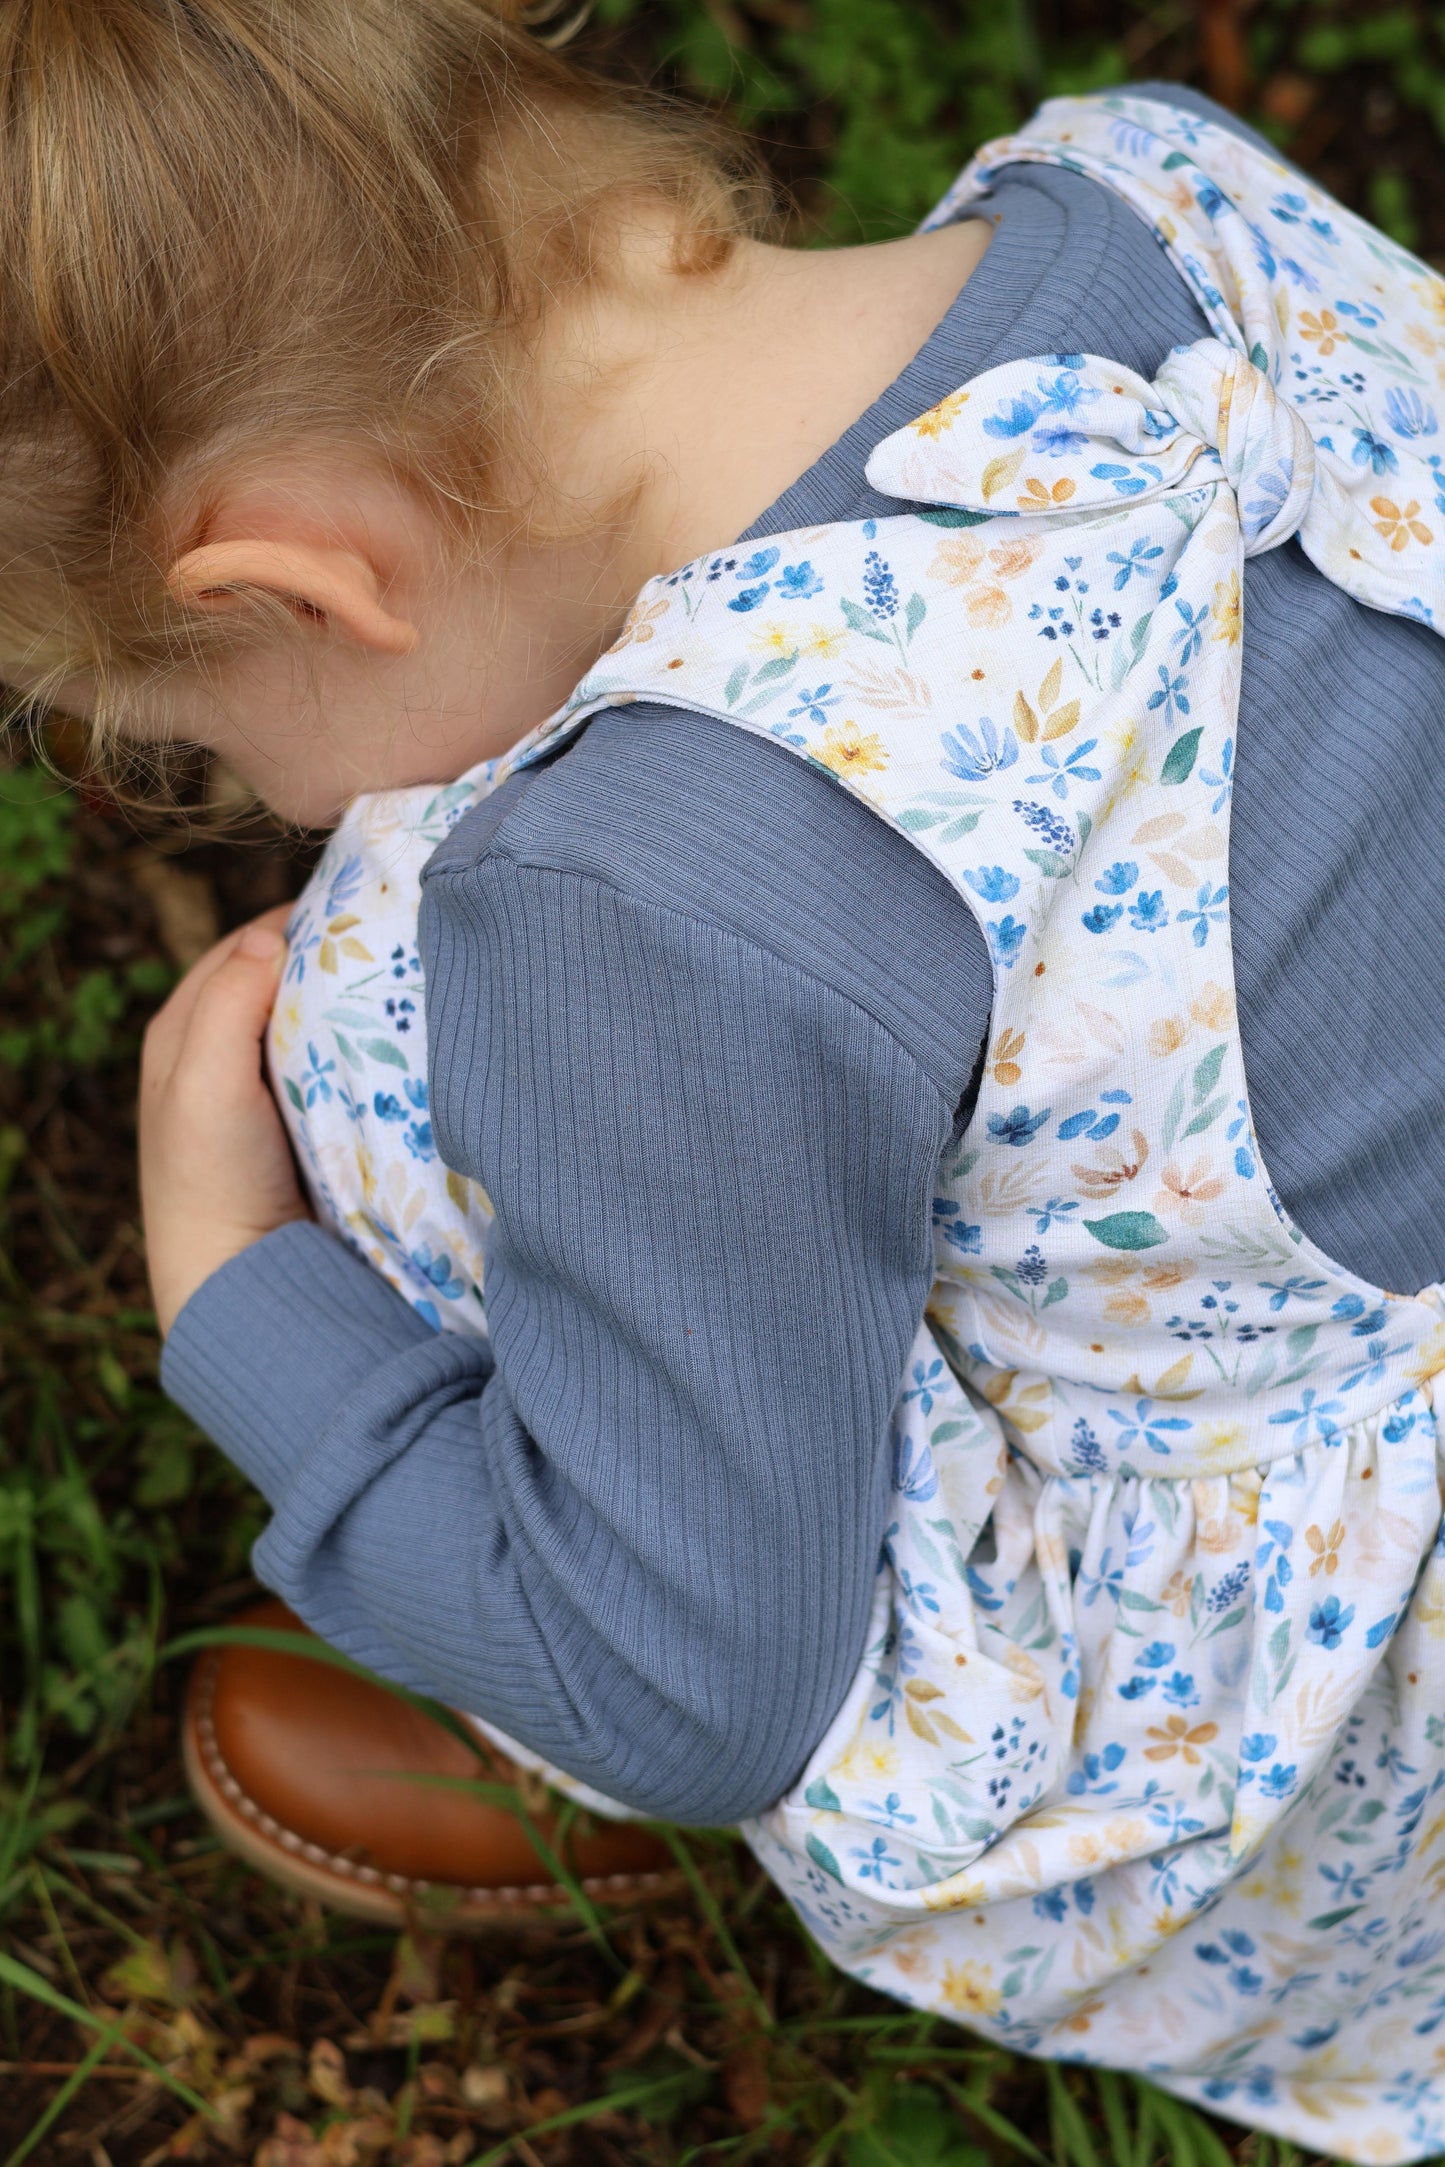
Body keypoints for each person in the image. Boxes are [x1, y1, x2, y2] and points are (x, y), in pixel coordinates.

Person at [16, 4, 1445, 2156]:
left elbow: (690, 1688)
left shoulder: (648, 908)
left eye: (179, 741)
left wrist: (237, 1286)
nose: (234, 796)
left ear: (300, 579)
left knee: (375, 1004)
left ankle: (547, 1616)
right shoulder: (1146, 184)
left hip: (1348, 1750)